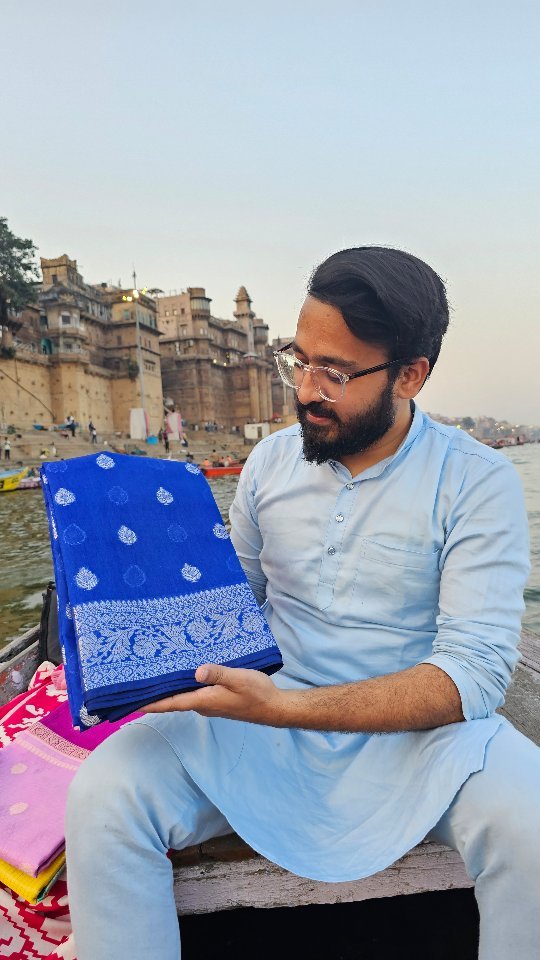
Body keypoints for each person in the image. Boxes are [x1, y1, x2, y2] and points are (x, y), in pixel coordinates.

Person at [66, 247, 538, 960]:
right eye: (300, 360)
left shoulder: (477, 482)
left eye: (337, 373)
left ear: (410, 375)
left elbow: (471, 674)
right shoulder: (270, 463)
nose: (307, 390)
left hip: (415, 742)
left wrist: (284, 707)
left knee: (532, 820)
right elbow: (238, 607)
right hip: (261, 725)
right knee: (105, 794)